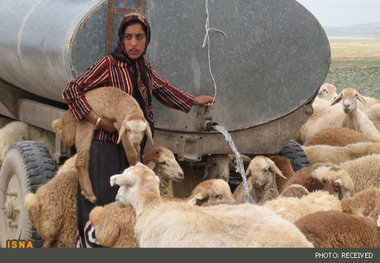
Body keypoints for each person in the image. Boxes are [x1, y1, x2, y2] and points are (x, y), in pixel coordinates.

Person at [62, 12, 215, 248]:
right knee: (102, 203)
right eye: (129, 37)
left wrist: (193, 101)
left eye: (139, 37)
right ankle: (90, 246)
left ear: (146, 40)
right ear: (121, 40)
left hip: (131, 148)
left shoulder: (144, 68)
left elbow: (164, 90)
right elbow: (72, 91)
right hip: (104, 147)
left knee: (126, 203)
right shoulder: (108, 65)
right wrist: (97, 120)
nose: (134, 43)